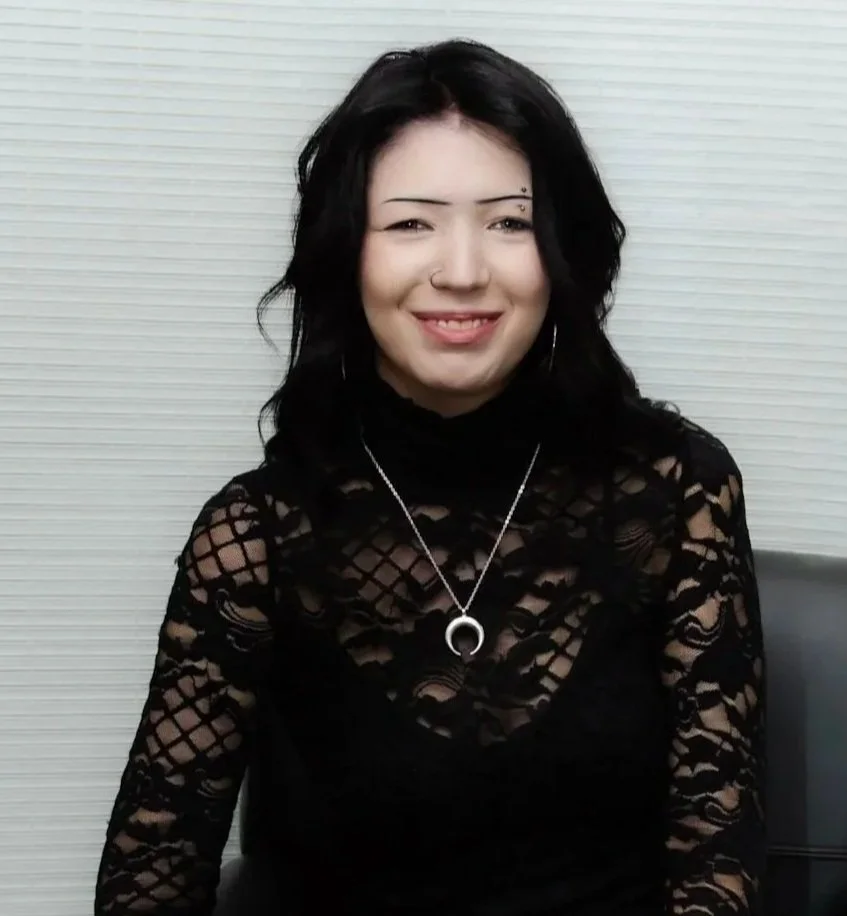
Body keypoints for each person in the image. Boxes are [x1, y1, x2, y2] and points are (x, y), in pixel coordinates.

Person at [94, 38, 765, 916]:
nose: (461, 271)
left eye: (509, 222)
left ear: (562, 254)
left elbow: (719, 869)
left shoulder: (676, 494)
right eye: (411, 222)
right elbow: (152, 875)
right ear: (347, 253)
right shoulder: (256, 535)